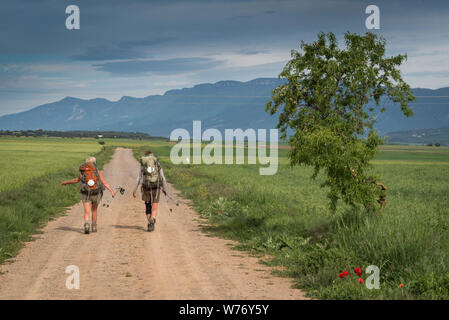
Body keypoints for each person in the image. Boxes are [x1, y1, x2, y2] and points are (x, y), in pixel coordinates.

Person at [61, 156, 115, 234]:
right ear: (95, 163)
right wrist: (112, 191)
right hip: (96, 193)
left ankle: (86, 225)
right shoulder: (98, 172)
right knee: (94, 210)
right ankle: (94, 226)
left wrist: (66, 182)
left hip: (85, 193)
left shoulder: (83, 172)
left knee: (87, 211)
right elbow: (104, 183)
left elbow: (76, 180)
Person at [133, 150, 167, 231]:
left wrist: (134, 190)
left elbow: (139, 178)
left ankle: (150, 223)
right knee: (155, 204)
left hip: (146, 186)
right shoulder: (157, 163)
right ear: (152, 155)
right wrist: (164, 189)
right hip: (156, 186)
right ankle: (153, 217)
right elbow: (163, 178)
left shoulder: (143, 164)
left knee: (148, 206)